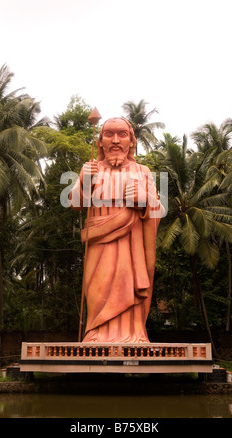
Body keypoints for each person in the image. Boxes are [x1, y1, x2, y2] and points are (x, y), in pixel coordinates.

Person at [69, 117, 165, 342]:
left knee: (129, 287)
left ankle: (135, 333)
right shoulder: (91, 169)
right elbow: (75, 203)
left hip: (132, 248)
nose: (115, 140)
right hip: (99, 246)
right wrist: (84, 180)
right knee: (97, 287)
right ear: (100, 141)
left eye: (122, 134)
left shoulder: (143, 171)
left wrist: (143, 199)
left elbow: (158, 210)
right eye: (108, 134)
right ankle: (95, 332)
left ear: (131, 142)